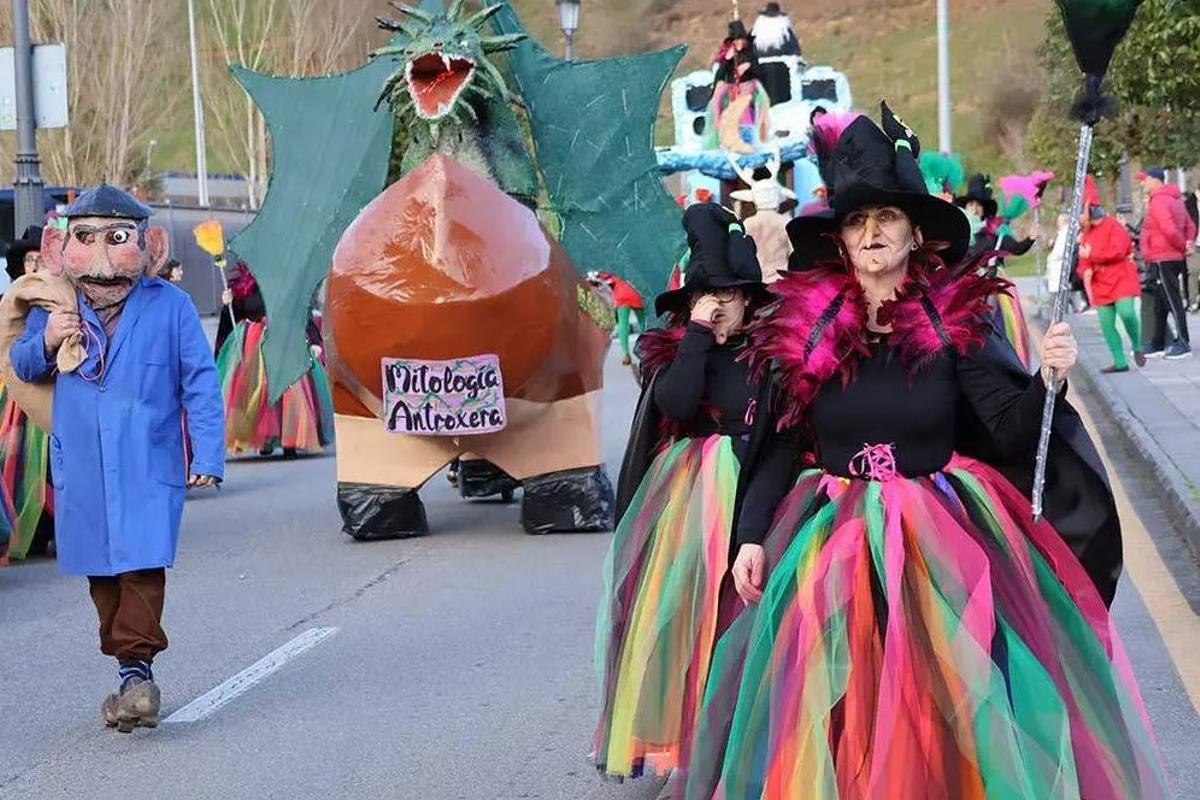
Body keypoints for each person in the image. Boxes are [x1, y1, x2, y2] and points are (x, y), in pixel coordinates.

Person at [684, 107, 1165, 799]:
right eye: (857, 221)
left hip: (942, 540)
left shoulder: (950, 321)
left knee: (953, 704)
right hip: (833, 539)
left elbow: (1006, 429)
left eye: (885, 218)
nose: (872, 233)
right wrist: (753, 535)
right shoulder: (809, 328)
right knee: (843, 704)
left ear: (915, 231)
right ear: (841, 239)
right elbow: (782, 445)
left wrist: (1048, 381)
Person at [6, 184, 224, 732]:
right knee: (101, 573)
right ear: (66, 244)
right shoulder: (56, 304)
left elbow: (200, 381)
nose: (102, 253)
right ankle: (132, 670)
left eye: (117, 237)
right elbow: (23, 366)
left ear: (145, 242)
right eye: (87, 236)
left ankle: (136, 673)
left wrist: (208, 453)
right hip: (81, 461)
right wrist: (49, 340)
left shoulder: (169, 305)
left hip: (148, 460)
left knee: (143, 563)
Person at [595, 203, 766, 798]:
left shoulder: (766, 358)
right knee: (692, 623)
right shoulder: (681, 352)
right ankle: (695, 744)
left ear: (751, 301)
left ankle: (745, 738)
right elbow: (675, 404)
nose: (720, 305)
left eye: (731, 296)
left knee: (746, 621)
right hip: (691, 507)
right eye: (708, 295)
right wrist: (697, 333)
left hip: (757, 494)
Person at [214, 262, 333, 457]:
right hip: (253, 347)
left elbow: (300, 313)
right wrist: (228, 304)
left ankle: (289, 442)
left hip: (284, 344)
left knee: (290, 392)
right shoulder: (242, 291)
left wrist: (314, 340)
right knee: (259, 392)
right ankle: (266, 439)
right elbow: (231, 319)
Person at [1078, 177, 1144, 373]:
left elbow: (1119, 250)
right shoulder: (1087, 234)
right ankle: (1120, 361)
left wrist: (1093, 256)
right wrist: (1085, 270)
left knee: (1127, 313)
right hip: (1101, 283)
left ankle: (1137, 346)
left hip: (1121, 278)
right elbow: (1083, 261)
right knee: (1107, 325)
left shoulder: (1113, 225)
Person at [1139, 166, 1197, 359]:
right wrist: (1187, 243)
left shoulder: (1159, 201)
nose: (1142, 183)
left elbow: (1169, 230)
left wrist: (1182, 245)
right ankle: (1157, 343)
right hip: (1170, 257)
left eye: (1145, 179)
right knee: (1160, 303)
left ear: (1155, 180)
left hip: (1163, 257)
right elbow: (1190, 225)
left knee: (1172, 300)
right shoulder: (1175, 199)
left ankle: (1183, 341)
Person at [728, 149, 796, 282]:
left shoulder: (748, 224)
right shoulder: (786, 222)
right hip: (781, 280)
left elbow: (739, 254)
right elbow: (794, 253)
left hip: (756, 281)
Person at [589, 271, 645, 366]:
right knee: (642, 322)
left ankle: (626, 354)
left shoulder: (604, 279)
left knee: (623, 324)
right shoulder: (619, 277)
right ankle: (646, 348)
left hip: (621, 296)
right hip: (635, 294)